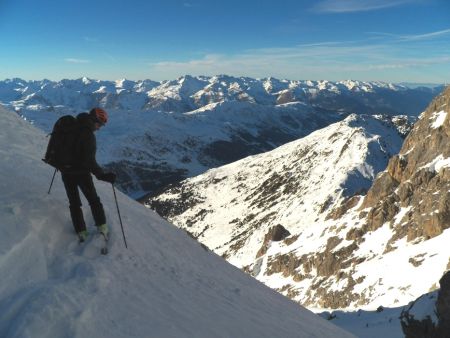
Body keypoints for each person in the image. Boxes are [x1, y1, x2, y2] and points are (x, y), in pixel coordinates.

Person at [62, 107, 116, 242]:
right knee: (94, 200)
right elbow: (89, 160)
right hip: (81, 173)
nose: (99, 128)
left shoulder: (72, 126)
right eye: (99, 124)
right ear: (94, 120)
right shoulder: (88, 135)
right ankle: (102, 227)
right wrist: (102, 175)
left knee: (74, 203)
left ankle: (81, 232)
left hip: (66, 171)